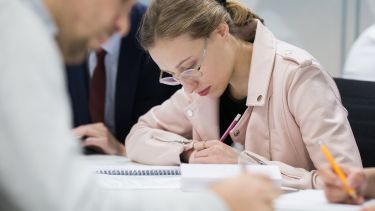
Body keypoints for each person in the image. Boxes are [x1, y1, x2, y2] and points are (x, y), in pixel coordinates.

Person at [0, 0, 280, 210]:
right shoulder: (18, 35)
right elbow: (67, 202)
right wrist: (218, 202)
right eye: (122, 3)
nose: (122, 27)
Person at [125, 0, 362, 189]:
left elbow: (346, 182)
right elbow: (138, 135)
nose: (187, 86)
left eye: (189, 67)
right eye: (174, 75)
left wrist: (243, 165)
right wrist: (190, 152)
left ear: (221, 31)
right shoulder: (201, 86)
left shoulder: (298, 75)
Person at [66, 3, 179, 155]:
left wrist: (121, 149)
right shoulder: (56, 36)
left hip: (138, 168)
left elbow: (181, 132)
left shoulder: (158, 35)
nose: (123, 26)